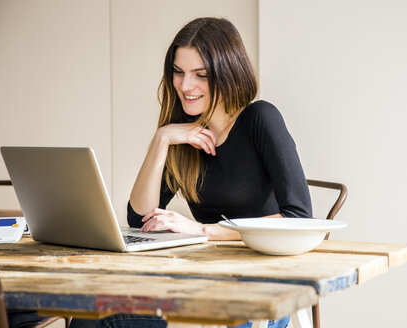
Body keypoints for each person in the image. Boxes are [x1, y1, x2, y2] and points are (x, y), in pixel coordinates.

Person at [70, 16, 311, 328]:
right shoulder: (185, 134)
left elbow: (299, 218)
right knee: (91, 318)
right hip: (201, 278)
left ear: (229, 74)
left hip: (258, 288)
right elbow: (138, 217)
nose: (185, 85)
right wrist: (163, 138)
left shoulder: (260, 120)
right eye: (179, 72)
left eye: (201, 75)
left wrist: (202, 231)